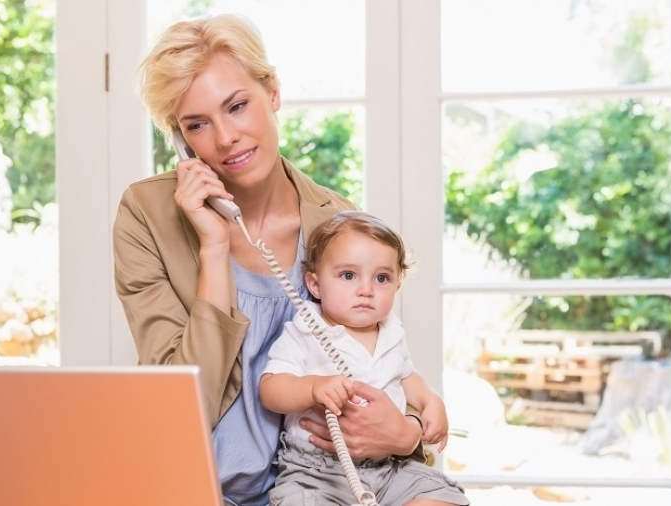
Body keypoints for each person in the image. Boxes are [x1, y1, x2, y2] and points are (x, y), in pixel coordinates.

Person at [113, 13, 441, 505]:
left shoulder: (338, 220)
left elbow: (381, 367)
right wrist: (214, 246)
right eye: (197, 124)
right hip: (206, 490)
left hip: (333, 482)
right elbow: (181, 409)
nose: (225, 138)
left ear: (272, 92)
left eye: (237, 106)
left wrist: (409, 433)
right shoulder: (146, 215)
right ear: (182, 141)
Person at [259, 211, 469, 506]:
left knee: (443, 496)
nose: (366, 290)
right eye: (348, 275)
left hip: (386, 466)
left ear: (397, 285)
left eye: (382, 278)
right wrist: (312, 388)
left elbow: (407, 376)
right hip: (317, 471)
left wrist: (431, 401)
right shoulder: (305, 330)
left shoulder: (391, 331)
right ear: (315, 285)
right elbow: (271, 389)